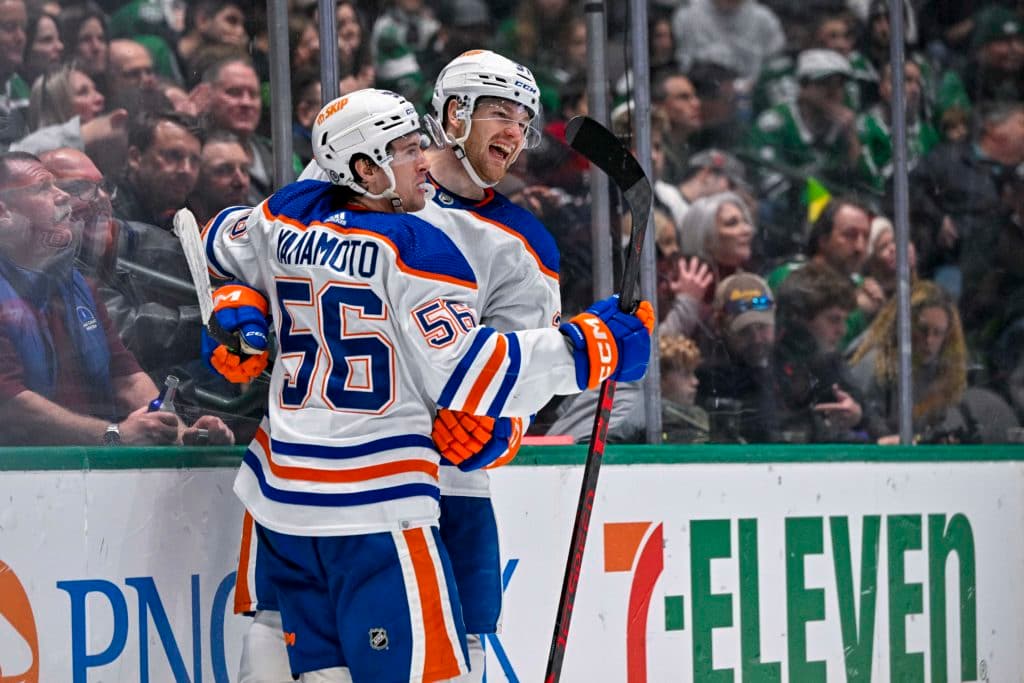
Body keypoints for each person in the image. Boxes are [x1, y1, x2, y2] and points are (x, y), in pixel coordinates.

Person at [204, 88, 653, 681]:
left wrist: (235, 302)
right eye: (408, 150)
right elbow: (472, 372)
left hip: (283, 495)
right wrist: (593, 347)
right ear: (364, 169)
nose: (424, 162)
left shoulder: (286, 213)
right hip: (376, 501)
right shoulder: (416, 249)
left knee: (307, 665)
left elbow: (218, 239)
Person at [238, 50, 563, 683]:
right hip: (311, 460)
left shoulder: (522, 244)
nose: (515, 133)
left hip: (436, 477)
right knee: (277, 634)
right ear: (454, 113)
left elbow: (518, 368)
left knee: (455, 647)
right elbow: (264, 255)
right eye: (501, 113)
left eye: (524, 121)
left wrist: (503, 426)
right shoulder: (360, 157)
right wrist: (243, 303)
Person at [0, 150, 232, 446]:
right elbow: (11, 409)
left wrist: (180, 433)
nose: (63, 197)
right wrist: (114, 434)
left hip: (88, 467)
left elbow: (127, 378)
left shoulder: (77, 285)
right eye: (43, 188)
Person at [849, 280, 973, 443]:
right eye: (922, 330)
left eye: (937, 333)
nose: (929, 340)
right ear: (902, 326)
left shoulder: (944, 373)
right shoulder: (873, 367)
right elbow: (860, 431)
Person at [773, 261, 866, 442]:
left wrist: (857, 415)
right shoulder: (768, 363)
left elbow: (869, 417)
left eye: (844, 320)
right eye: (833, 320)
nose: (843, 330)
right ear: (799, 318)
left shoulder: (830, 359)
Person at [112, 110, 201, 230]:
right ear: (135, 157)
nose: (187, 170)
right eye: (174, 155)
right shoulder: (107, 211)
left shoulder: (183, 218)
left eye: (194, 161)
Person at [186, 129, 251, 225]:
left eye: (244, 169)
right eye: (224, 170)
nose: (241, 182)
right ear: (195, 177)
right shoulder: (172, 229)